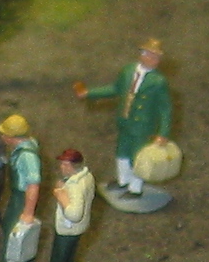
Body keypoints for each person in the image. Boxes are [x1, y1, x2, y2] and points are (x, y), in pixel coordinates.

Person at [73, 38, 173, 198]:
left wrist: (163, 133)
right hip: (125, 121)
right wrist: (89, 93)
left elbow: (165, 109)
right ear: (142, 54)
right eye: (150, 55)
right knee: (122, 152)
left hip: (143, 126)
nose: (154, 60)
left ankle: (135, 188)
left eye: (157, 57)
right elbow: (115, 89)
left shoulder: (158, 81)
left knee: (137, 158)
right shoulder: (128, 71)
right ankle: (123, 181)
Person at [0, 112, 42, 262]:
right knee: (11, 226)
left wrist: (28, 212)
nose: (2, 137)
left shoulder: (27, 156)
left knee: (14, 232)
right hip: (18, 195)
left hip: (22, 197)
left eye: (4, 134)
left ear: (11, 137)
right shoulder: (26, 145)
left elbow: (33, 185)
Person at [43, 148, 96, 262]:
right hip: (78, 229)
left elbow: (74, 213)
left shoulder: (75, 186)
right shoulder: (86, 177)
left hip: (67, 229)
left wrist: (61, 194)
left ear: (70, 166)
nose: (61, 167)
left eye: (64, 164)